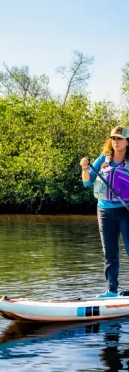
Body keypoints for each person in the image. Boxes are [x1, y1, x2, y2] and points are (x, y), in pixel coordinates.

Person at [80, 125, 129, 297]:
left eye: (120, 138)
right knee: (110, 253)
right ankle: (112, 290)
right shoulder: (103, 160)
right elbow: (87, 182)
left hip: (125, 211)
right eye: (113, 138)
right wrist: (85, 168)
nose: (116, 141)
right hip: (104, 211)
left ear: (127, 141)